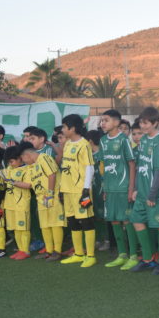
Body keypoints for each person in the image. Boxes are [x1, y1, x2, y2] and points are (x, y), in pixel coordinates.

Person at [128, 107, 159, 275]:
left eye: (146, 122)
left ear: (155, 123)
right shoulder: (144, 140)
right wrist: (137, 189)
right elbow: (141, 167)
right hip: (142, 193)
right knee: (137, 221)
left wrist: (152, 194)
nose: (143, 126)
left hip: (157, 195)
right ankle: (147, 258)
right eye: (141, 122)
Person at [97, 109, 138, 269]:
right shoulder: (102, 140)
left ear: (116, 122)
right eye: (101, 120)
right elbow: (104, 166)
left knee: (127, 220)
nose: (103, 123)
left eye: (106, 120)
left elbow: (131, 164)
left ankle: (133, 255)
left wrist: (131, 188)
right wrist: (105, 188)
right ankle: (122, 254)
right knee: (114, 220)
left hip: (123, 188)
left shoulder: (123, 140)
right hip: (110, 188)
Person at [58, 114, 98, 268]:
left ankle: (90, 255)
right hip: (67, 190)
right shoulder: (67, 143)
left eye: (64, 127)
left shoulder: (84, 145)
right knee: (73, 221)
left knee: (86, 220)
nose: (62, 130)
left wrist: (86, 189)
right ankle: (78, 254)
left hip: (80, 190)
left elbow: (89, 167)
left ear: (72, 128)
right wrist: (62, 188)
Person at [18, 143, 66, 261]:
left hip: (52, 197)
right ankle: (49, 251)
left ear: (27, 155)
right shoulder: (32, 167)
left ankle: (57, 251)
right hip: (41, 199)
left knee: (55, 224)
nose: (24, 162)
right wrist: (11, 181)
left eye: (23, 159)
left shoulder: (44, 157)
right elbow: (29, 184)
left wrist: (50, 194)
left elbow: (52, 174)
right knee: (45, 226)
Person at [2, 146, 32, 260]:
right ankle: (20, 249)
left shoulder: (27, 169)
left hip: (21, 204)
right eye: (9, 162)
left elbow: (28, 185)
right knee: (14, 229)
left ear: (20, 159)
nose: (11, 164)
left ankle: (26, 250)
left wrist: (12, 182)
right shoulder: (9, 168)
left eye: (12, 161)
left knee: (22, 228)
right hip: (9, 204)